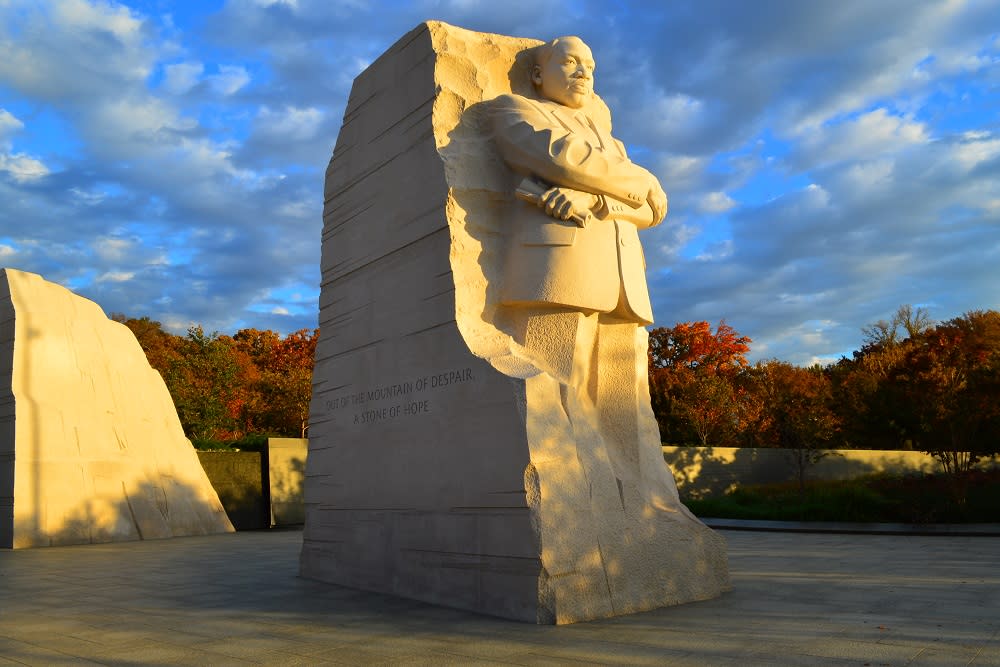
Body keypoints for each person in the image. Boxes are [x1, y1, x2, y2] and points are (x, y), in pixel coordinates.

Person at [489, 35, 670, 481]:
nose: (583, 72)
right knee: (560, 396)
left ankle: (636, 503)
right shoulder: (516, 110)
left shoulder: (614, 146)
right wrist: (641, 179)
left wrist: (596, 201)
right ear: (537, 75)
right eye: (569, 62)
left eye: (589, 65)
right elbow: (562, 158)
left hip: (623, 278)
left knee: (623, 408)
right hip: (559, 271)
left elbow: (654, 208)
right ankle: (574, 494)